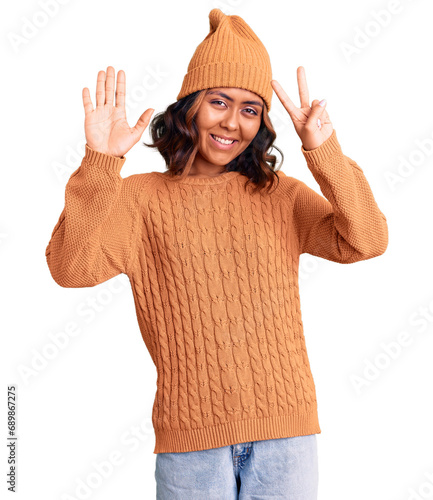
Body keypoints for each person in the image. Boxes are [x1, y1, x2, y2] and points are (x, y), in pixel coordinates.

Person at [45, 8, 388, 500]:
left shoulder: (279, 194)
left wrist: (324, 151)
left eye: (250, 109)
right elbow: (70, 269)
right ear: (189, 105)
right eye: (219, 102)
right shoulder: (140, 199)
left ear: (262, 123)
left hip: (286, 436)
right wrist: (101, 163)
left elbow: (368, 240)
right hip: (190, 443)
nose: (232, 122)